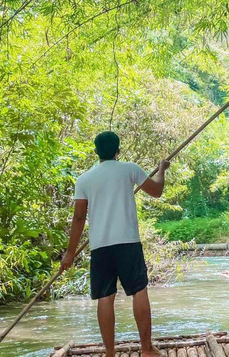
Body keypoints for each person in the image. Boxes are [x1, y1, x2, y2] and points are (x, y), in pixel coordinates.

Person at [60, 131, 170, 357]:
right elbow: (156, 191)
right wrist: (161, 170)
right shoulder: (129, 168)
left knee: (105, 297)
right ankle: (147, 348)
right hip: (128, 242)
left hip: (100, 246)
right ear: (118, 150)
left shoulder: (85, 179)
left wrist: (70, 253)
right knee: (139, 291)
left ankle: (110, 353)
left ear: (95, 151)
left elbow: (79, 218)